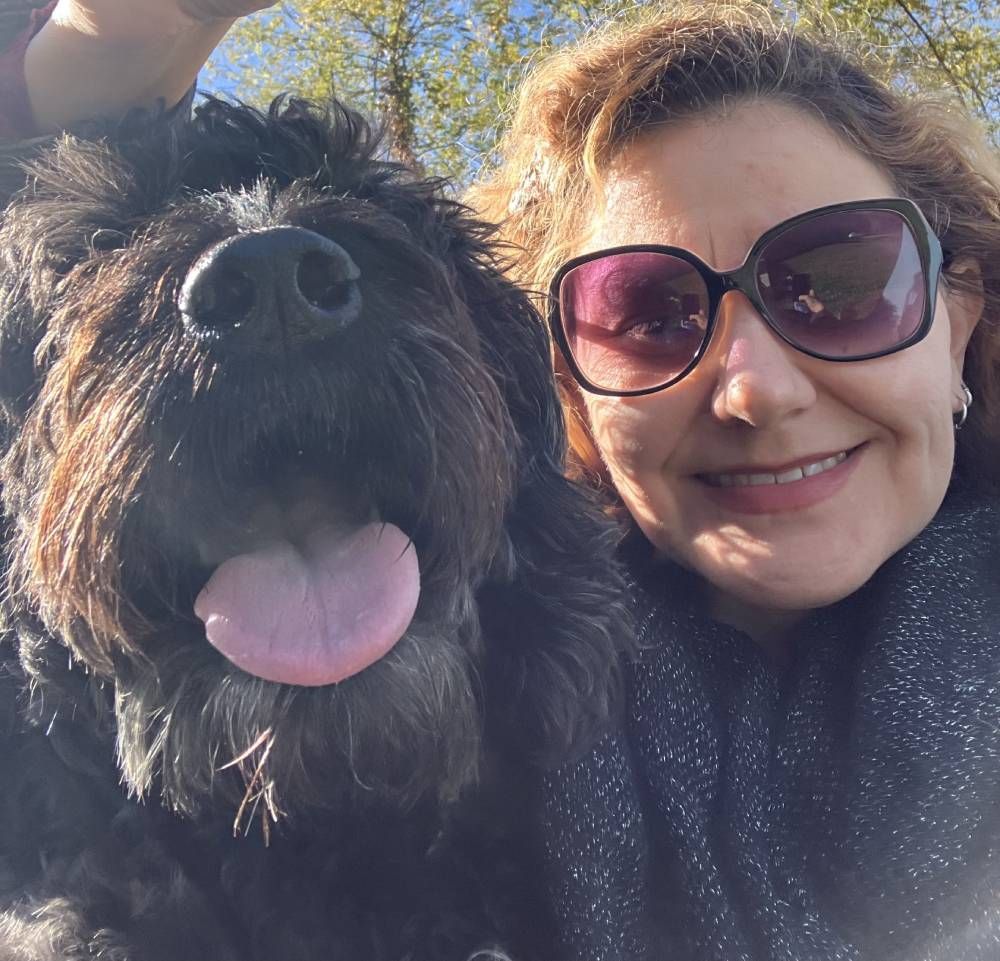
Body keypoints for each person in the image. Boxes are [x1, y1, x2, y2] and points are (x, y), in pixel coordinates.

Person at [2, 2, 999, 959]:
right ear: (564, 391)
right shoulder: (513, 704)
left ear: (961, 311)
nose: (757, 391)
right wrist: (120, 33)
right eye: (647, 312)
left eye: (838, 280)